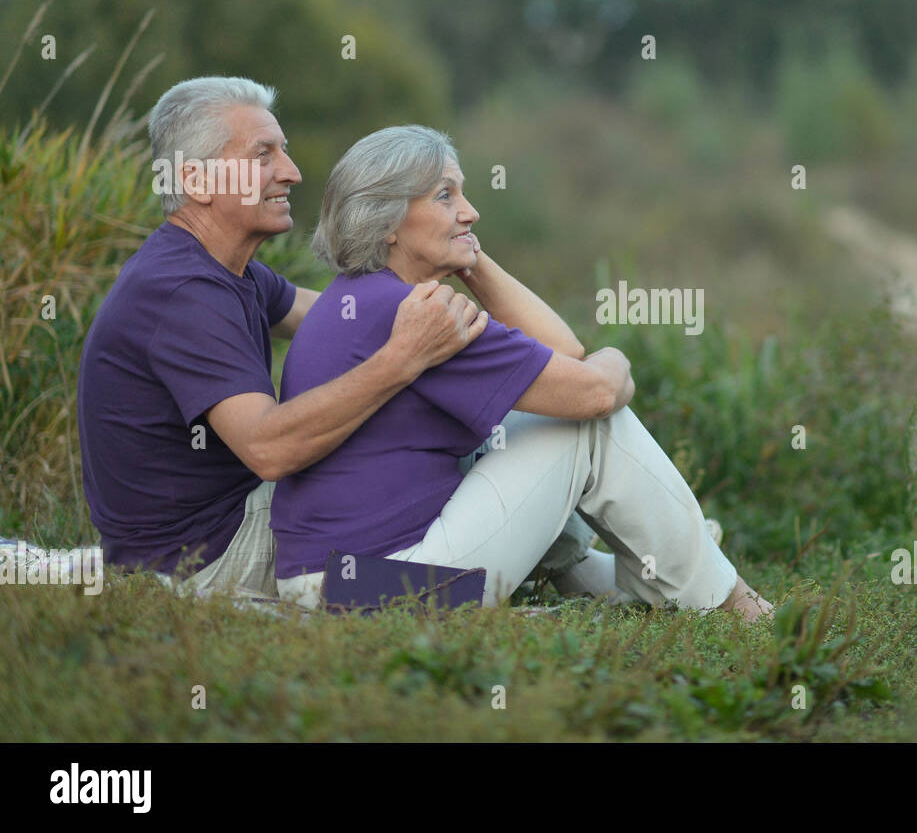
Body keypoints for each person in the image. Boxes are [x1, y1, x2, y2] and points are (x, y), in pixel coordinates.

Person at [271, 125, 774, 621]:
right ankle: (729, 604)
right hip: (383, 591)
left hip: (332, 582)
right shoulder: (415, 314)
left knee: (514, 428)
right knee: (584, 424)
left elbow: (562, 352)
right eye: (445, 197)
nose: (471, 211)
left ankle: (637, 574)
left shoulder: (358, 297)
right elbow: (593, 389)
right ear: (388, 222)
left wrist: (468, 255)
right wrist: (617, 359)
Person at [77, 77, 486, 596]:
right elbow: (268, 450)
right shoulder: (183, 292)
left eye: (284, 152)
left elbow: (348, 319)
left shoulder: (231, 270)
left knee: (438, 407)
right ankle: (449, 589)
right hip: (206, 557)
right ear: (197, 182)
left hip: (230, 521)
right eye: (263, 155)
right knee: (415, 423)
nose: (290, 173)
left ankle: (541, 565)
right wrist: (402, 359)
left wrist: (443, 245)